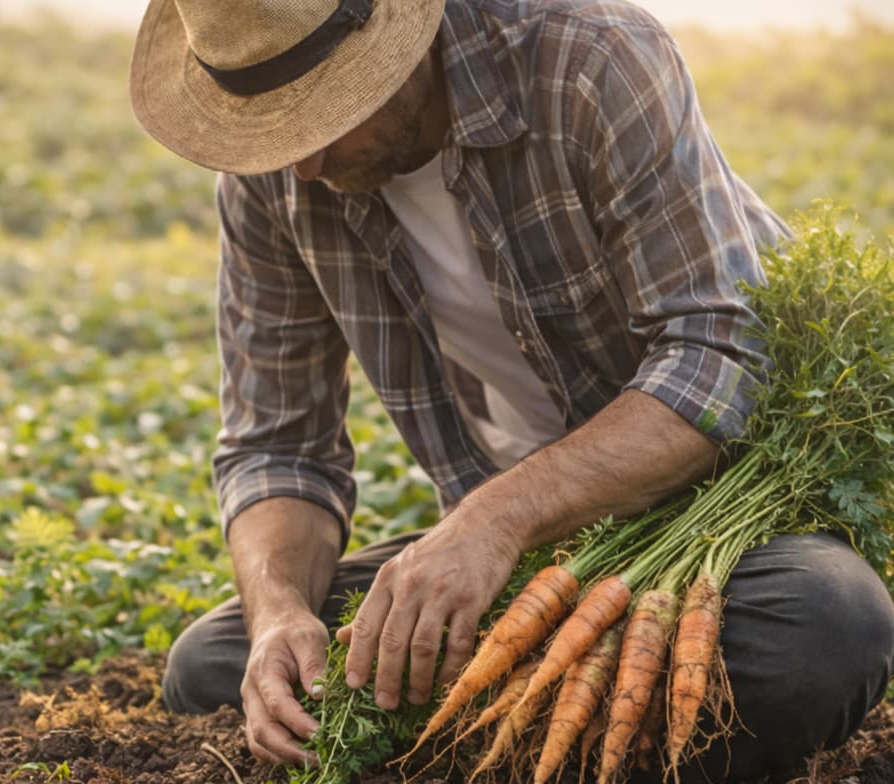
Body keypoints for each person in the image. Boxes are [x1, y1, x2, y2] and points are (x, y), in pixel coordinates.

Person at [128, 0, 894, 779]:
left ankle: (498, 730)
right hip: (519, 563)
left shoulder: (588, 60)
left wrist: (491, 522)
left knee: (825, 624)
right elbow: (276, 446)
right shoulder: (274, 183)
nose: (301, 170)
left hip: (704, 529)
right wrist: (280, 614)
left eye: (319, 119)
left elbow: (717, 354)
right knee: (214, 666)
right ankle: (539, 726)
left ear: (397, 41)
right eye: (270, 135)